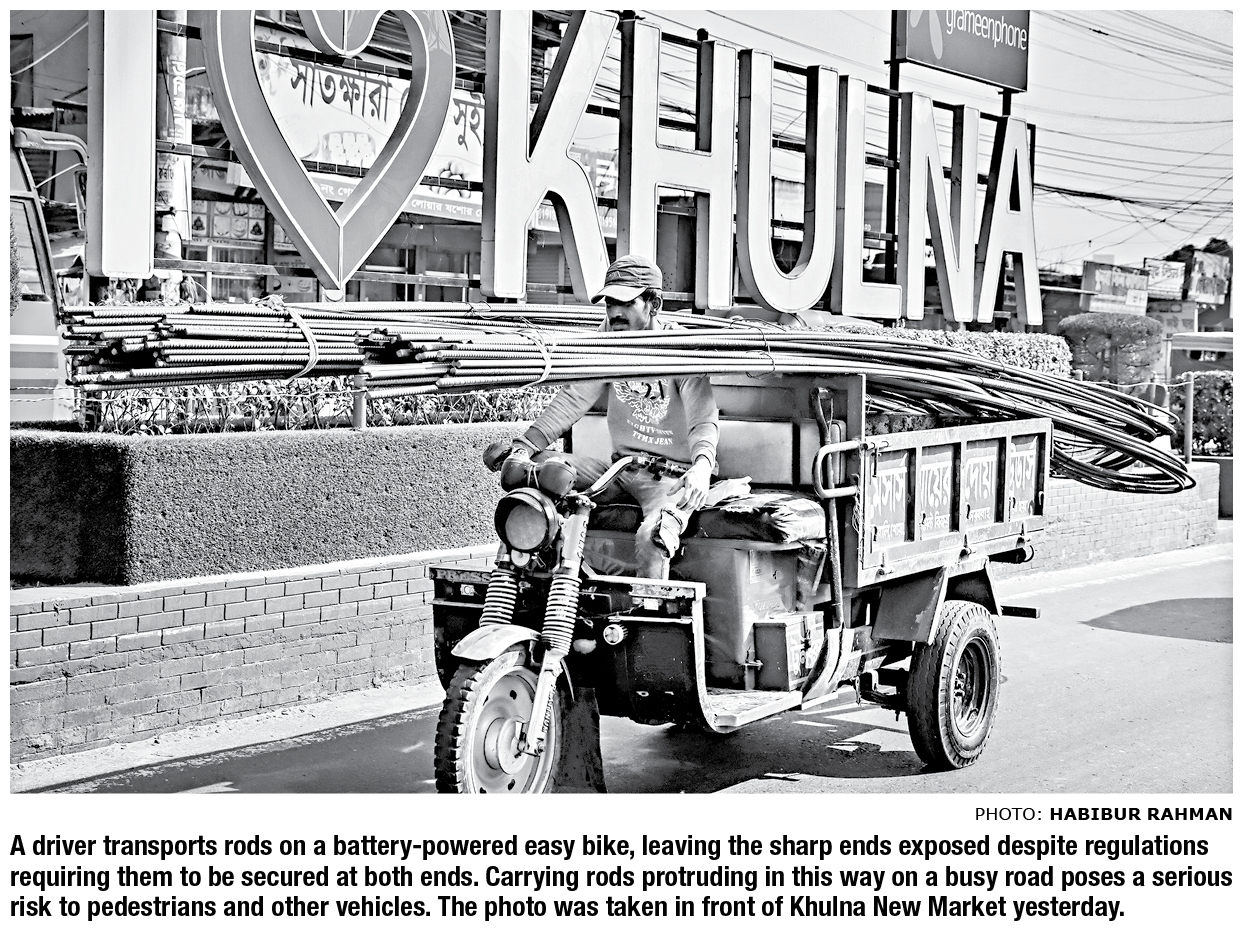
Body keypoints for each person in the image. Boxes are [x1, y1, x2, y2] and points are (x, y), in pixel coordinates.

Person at [494, 255, 719, 578]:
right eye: (610, 303)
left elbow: (703, 418)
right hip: (620, 469)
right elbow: (574, 397)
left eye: (626, 303)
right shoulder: (608, 338)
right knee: (537, 468)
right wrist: (524, 447)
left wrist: (702, 466)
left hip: (672, 478)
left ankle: (648, 608)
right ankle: (538, 586)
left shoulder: (680, 347)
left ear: (654, 305)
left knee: (654, 537)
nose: (614, 312)